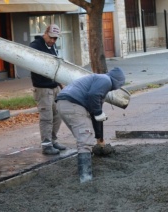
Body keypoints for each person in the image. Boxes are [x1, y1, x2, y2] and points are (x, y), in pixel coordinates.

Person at [55, 67, 125, 183]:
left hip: (63, 104)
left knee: (83, 137)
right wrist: (98, 112)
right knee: (84, 140)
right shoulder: (105, 80)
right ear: (117, 82)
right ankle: (85, 178)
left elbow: (96, 116)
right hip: (73, 105)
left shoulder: (97, 82)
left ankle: (86, 170)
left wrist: (99, 139)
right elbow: (93, 97)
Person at [29, 24, 66, 155]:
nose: (52, 40)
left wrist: (61, 84)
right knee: (46, 117)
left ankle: (53, 140)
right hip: (42, 89)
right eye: (51, 37)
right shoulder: (35, 46)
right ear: (45, 33)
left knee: (58, 115)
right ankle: (46, 145)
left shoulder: (52, 46)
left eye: (55, 39)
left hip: (54, 86)